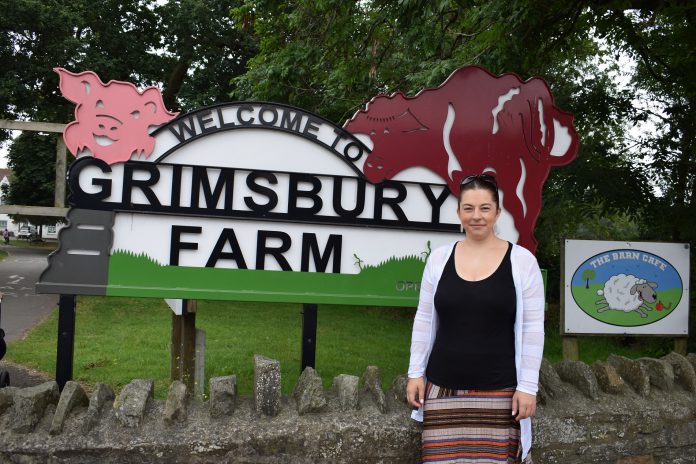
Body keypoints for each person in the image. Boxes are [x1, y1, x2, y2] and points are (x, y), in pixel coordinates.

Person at [406, 173, 545, 463]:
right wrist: (415, 373)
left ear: (498, 212)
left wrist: (528, 387)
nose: (476, 216)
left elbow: (533, 328)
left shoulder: (521, 262)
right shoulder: (439, 259)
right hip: (442, 390)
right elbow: (424, 318)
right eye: (468, 208)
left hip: (501, 393)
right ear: (458, 213)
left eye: (484, 208)